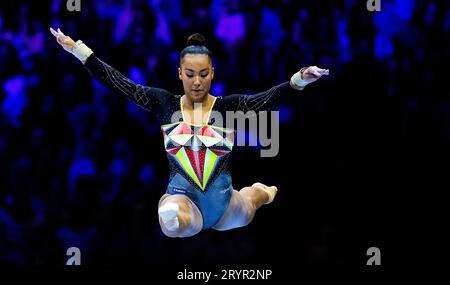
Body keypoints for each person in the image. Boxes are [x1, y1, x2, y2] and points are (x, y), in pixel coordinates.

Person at [50, 27, 329, 238]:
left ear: (213, 73)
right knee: (171, 223)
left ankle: (260, 192)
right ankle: (170, 209)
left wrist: (299, 79)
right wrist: (79, 50)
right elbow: (120, 84)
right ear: (180, 73)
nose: (197, 82)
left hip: (224, 203)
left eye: (204, 74)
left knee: (253, 205)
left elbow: (266, 99)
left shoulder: (228, 108)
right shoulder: (164, 103)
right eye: (190, 74)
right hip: (183, 198)